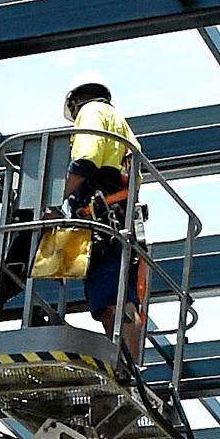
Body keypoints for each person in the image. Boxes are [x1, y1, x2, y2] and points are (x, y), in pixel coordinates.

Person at [61, 80, 147, 354]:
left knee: (112, 302)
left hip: (102, 222)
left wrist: (55, 196)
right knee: (123, 297)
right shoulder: (121, 123)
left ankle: (124, 368)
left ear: (75, 102)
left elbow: (87, 159)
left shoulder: (91, 113)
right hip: (119, 218)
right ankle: (131, 367)